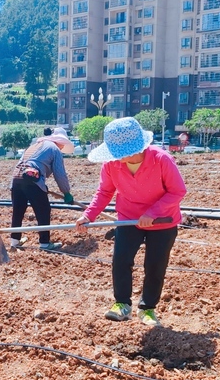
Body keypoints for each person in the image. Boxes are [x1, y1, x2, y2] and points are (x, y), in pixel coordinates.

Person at [75, 117, 186, 326]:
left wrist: (153, 213)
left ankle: (148, 309)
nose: (116, 158)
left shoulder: (161, 160)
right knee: (121, 260)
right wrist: (88, 215)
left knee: (155, 265)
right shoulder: (111, 165)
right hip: (128, 218)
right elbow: (105, 191)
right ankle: (122, 304)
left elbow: (177, 191)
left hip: (162, 220)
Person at [10, 127, 75, 251]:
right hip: (32, 180)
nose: (62, 148)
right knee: (43, 210)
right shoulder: (54, 149)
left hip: (16, 179)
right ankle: (45, 243)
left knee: (18, 211)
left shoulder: (34, 145)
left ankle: (14, 242)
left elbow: (26, 163)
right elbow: (59, 173)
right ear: (60, 142)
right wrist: (66, 192)